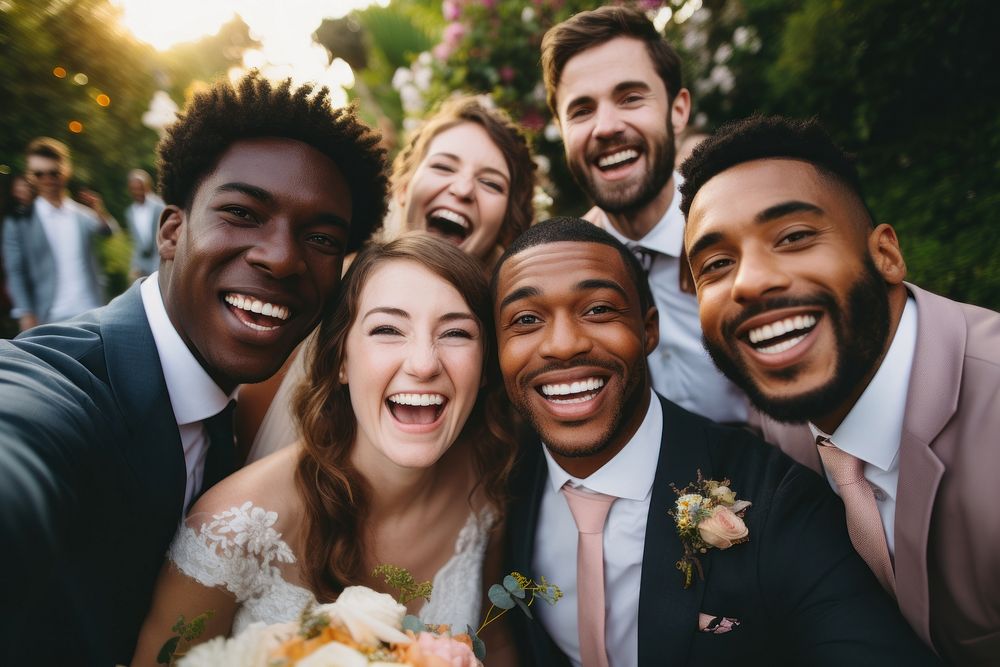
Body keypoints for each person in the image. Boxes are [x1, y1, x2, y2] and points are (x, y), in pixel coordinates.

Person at [0, 72, 387, 665]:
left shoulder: (233, 413)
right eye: (241, 212)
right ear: (172, 230)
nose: (282, 257)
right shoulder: (67, 379)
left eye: (321, 238)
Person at [495, 217, 939, 666]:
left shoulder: (775, 498)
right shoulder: (499, 487)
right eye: (526, 319)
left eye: (598, 310)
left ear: (649, 330)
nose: (564, 344)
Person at [680, 115, 1000, 664]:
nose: (751, 281)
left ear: (886, 255)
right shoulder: (785, 415)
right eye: (716, 264)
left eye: (795, 237)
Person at [132, 234, 516, 665]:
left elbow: (495, 641)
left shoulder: (486, 484)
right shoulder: (230, 532)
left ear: (484, 367)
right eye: (387, 329)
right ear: (341, 361)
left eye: (456, 332)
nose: (424, 364)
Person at [240, 95, 536, 462]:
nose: (462, 190)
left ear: (507, 223)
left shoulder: (508, 325)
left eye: (491, 183)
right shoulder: (334, 283)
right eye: (444, 167)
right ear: (403, 186)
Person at [539, 6, 749, 425]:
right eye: (581, 110)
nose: (606, 127)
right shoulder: (564, 274)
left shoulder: (745, 229)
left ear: (677, 110)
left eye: (630, 98)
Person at [2, 137, 120, 331]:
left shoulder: (81, 214)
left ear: (66, 170)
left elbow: (109, 231)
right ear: (30, 176)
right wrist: (25, 313)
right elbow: (15, 272)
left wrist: (100, 210)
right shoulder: (19, 222)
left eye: (53, 173)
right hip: (48, 317)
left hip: (93, 312)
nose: (47, 179)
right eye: (39, 174)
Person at [124, 168, 166, 279]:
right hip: (141, 263)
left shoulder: (160, 206)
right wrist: (135, 265)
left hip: (161, 259)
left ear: (147, 186)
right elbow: (136, 242)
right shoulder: (130, 212)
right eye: (134, 189)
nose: (137, 192)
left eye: (140, 188)